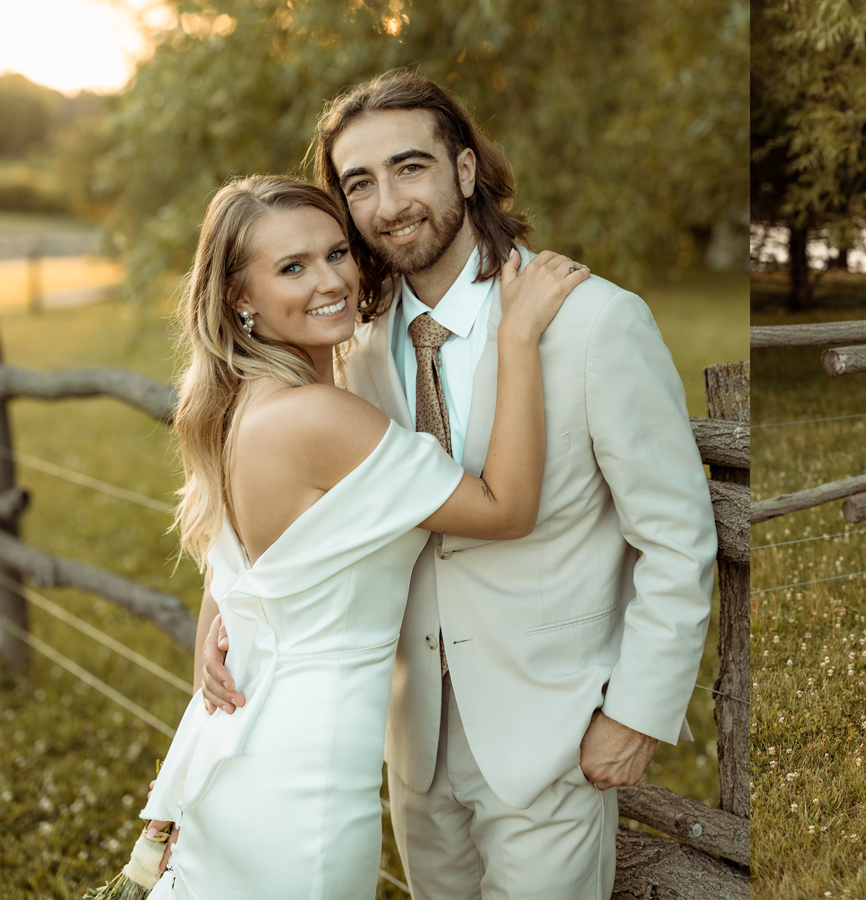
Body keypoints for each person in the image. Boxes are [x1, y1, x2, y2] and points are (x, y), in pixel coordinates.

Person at [199, 71, 719, 900]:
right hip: (410, 734)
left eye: (410, 168)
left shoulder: (593, 323)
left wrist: (638, 710)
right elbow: (285, 486)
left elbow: (677, 533)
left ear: (466, 171)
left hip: (552, 729)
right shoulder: (352, 339)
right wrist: (225, 597)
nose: (387, 203)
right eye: (359, 183)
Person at [139, 175, 591, 898]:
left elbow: (237, 569)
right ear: (239, 297)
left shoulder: (238, 406)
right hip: (303, 792)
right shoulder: (317, 417)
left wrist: (215, 627)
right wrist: (517, 336)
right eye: (292, 267)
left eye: (337, 252)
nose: (331, 280)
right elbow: (504, 507)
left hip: (243, 755)